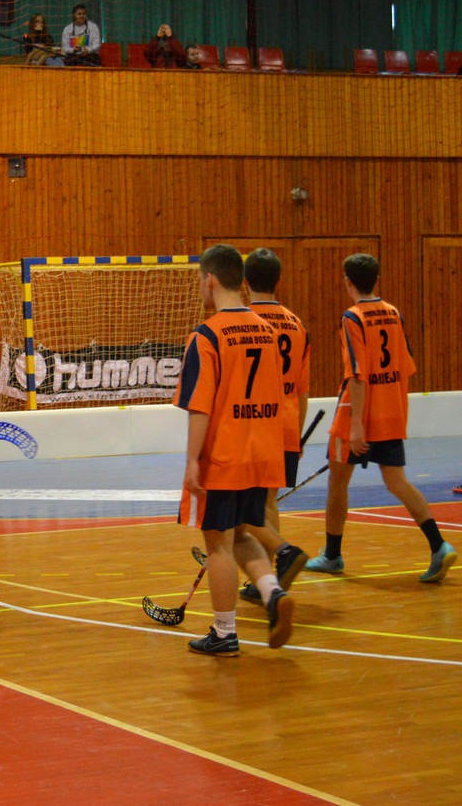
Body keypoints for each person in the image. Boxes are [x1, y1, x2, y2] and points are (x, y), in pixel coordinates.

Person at [304, 254, 457, 582]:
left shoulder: (352, 317)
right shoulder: (394, 313)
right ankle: (439, 545)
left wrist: (358, 424)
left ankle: (332, 555)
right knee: (397, 481)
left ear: (347, 282)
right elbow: (406, 365)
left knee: (337, 481)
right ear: (376, 280)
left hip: (355, 413)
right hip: (391, 410)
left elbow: (357, 374)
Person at [175, 244, 293, 656]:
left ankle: (224, 632)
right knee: (242, 533)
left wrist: (192, 460)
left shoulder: (207, 336)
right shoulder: (268, 331)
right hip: (261, 451)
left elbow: (200, 406)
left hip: (224, 455)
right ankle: (273, 592)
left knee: (218, 544)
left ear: (210, 280)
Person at [238, 249, 311, 605]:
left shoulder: (241, 323)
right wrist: (297, 433)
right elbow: (302, 389)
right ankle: (269, 579)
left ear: (244, 283)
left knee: (241, 506)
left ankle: (276, 562)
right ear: (279, 281)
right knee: (267, 501)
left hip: (253, 425)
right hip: (286, 424)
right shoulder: (297, 325)